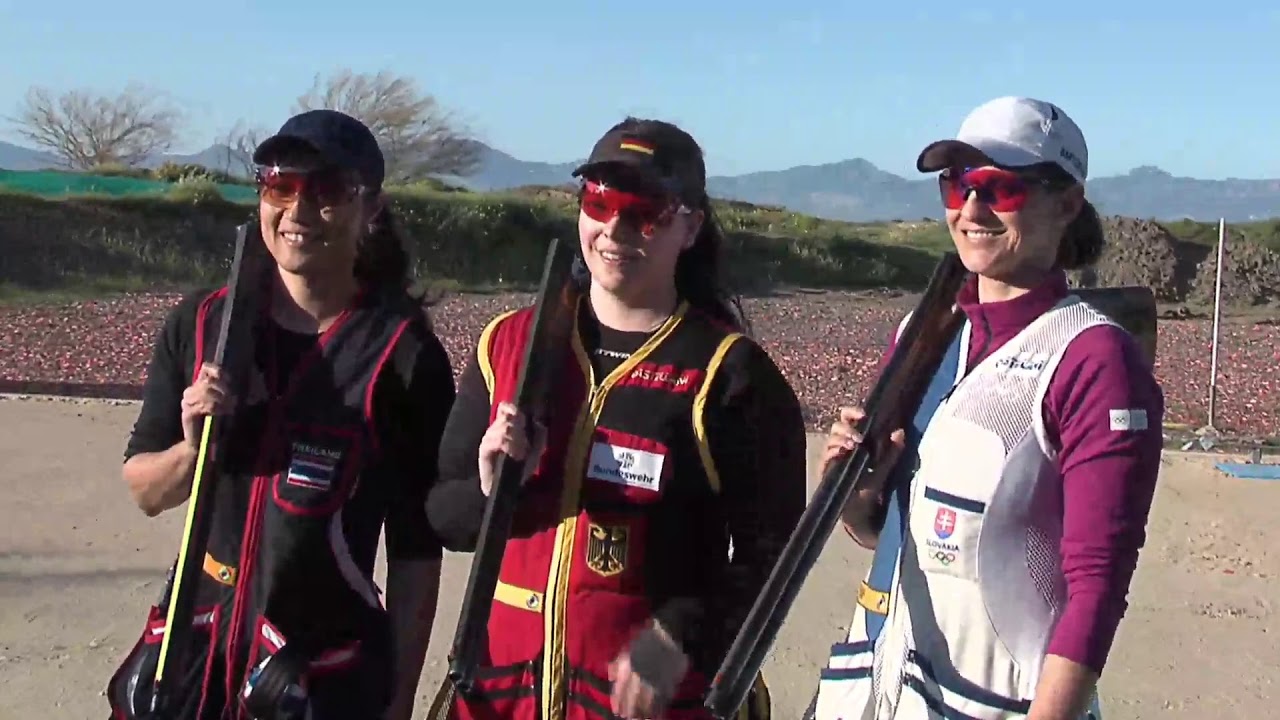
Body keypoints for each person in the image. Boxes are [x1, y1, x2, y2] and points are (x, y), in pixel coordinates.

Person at [424, 117, 808, 720]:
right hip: (503, 696)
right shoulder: (508, 346)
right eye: (599, 202)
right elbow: (446, 520)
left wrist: (679, 635)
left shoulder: (729, 373)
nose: (615, 228)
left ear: (690, 227)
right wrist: (492, 490)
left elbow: (776, 554)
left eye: (645, 212)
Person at [810, 97, 1164, 720]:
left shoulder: (1095, 358)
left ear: (1067, 203)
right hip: (880, 692)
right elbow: (894, 536)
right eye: (957, 185)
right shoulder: (921, 334)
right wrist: (856, 496)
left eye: (999, 187)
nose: (971, 209)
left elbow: (1097, 588)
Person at [107, 109, 455, 720]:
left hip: (321, 676)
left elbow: (416, 555)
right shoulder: (202, 325)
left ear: (371, 208)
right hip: (192, 662)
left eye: (327, 191)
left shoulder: (404, 356)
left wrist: (397, 703)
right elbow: (145, 491)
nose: (298, 211)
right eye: (280, 186)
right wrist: (193, 451)